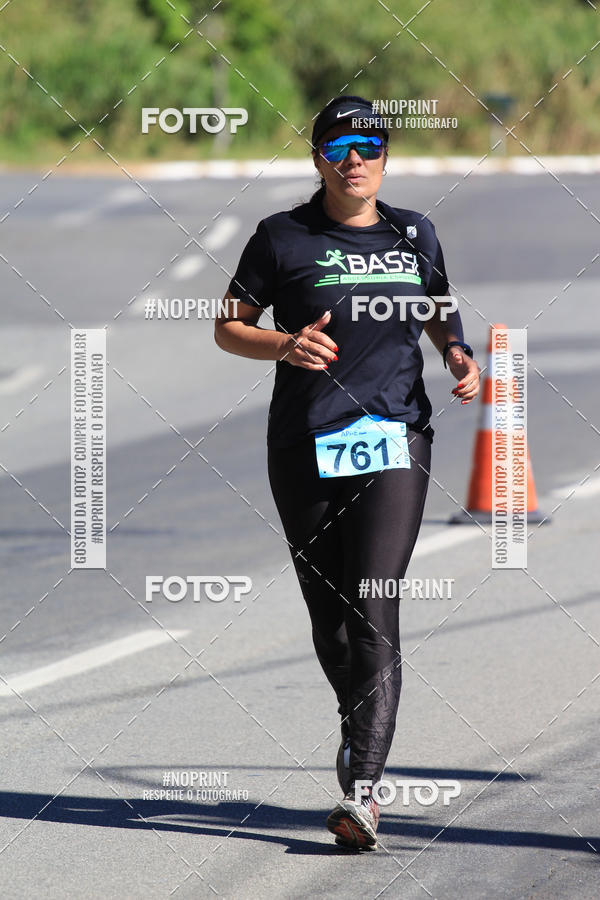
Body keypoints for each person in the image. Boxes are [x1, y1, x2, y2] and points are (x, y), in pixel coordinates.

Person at [215, 94, 480, 850]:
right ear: (318, 158)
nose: (355, 159)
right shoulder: (281, 238)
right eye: (340, 147)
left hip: (396, 435)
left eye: (369, 146)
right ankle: (359, 725)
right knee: (331, 624)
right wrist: (284, 344)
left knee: (373, 604)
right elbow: (228, 324)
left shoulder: (413, 231)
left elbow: (438, 303)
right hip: (305, 442)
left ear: (386, 156)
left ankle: (364, 792)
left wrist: (455, 352)